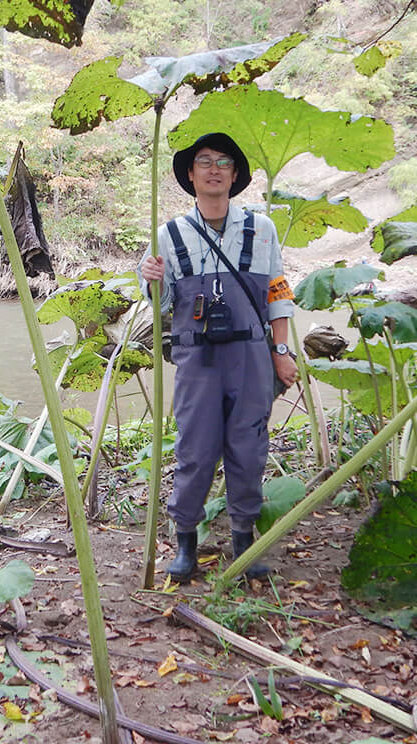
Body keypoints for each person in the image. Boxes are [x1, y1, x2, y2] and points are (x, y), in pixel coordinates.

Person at [139, 132, 298, 582]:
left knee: (249, 448)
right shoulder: (168, 234)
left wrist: (281, 352)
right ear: (190, 175)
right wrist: (149, 276)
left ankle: (244, 540)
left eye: (223, 162)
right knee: (195, 448)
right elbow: (162, 302)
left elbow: (277, 293)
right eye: (204, 162)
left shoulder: (261, 229)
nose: (213, 169)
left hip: (250, 353)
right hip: (197, 357)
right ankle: (186, 542)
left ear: (234, 176)